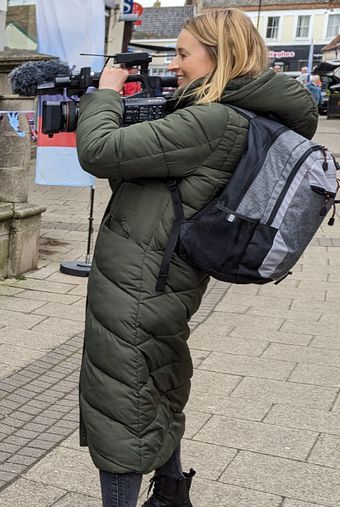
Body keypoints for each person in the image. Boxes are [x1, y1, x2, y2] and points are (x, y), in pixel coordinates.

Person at [75, 9, 317, 507]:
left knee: (120, 409)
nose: (176, 66)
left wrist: (104, 92)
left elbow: (98, 149)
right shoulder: (236, 115)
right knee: (153, 384)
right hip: (162, 276)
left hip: (142, 284)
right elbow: (153, 180)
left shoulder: (212, 120)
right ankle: (171, 493)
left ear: (220, 56)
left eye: (183, 54)